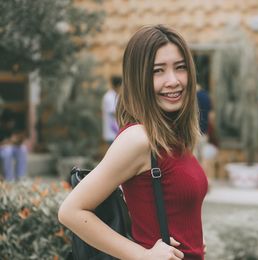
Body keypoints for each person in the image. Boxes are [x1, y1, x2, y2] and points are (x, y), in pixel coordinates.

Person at [58, 24, 208, 260]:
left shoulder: (174, 134)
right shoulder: (140, 139)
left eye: (180, 68)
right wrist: (143, 255)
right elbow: (71, 211)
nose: (173, 81)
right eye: (158, 71)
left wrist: (194, 241)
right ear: (139, 78)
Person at [0, 109, 27, 181]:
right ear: (4, 121)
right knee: (7, 152)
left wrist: (17, 141)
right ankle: (8, 178)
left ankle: (20, 176)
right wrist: (8, 141)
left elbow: (16, 139)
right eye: (10, 122)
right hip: (3, 149)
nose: (12, 123)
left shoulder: (12, 128)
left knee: (22, 149)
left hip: (10, 147)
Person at [102, 75, 122, 145]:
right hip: (112, 133)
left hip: (117, 132)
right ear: (117, 86)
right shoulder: (109, 97)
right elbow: (115, 112)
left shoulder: (118, 95)